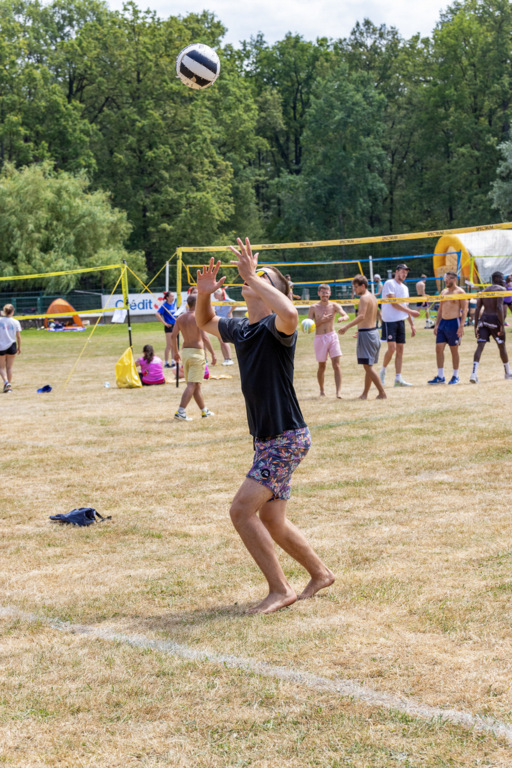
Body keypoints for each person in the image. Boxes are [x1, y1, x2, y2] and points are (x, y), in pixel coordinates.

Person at [195, 238, 334, 615]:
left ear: (272, 292)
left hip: (286, 437)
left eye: (263, 277)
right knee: (272, 518)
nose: (253, 278)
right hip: (268, 439)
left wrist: (251, 276)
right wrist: (204, 294)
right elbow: (204, 321)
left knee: (241, 511)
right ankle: (320, 574)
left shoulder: (278, 326)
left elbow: (289, 311)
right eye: (253, 275)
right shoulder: (242, 329)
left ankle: (280, 589)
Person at [338, 275, 386, 400]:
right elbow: (372, 316)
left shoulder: (364, 298)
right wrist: (360, 330)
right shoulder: (373, 297)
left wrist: (346, 327)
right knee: (368, 366)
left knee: (367, 366)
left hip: (367, 334)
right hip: (373, 332)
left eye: (356, 287)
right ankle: (365, 394)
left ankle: (382, 393)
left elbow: (362, 316)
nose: (354, 289)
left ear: (363, 286)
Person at [171, 293, 216, 420]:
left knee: (196, 385)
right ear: (197, 303)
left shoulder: (180, 318)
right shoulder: (198, 317)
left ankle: (204, 410)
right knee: (192, 384)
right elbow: (205, 337)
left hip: (185, 352)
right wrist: (213, 353)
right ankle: (181, 411)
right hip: (196, 353)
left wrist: (175, 352)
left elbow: (173, 336)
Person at [379, 264, 419, 387]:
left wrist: (412, 324)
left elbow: (405, 306)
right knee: (392, 349)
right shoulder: (389, 283)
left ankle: (398, 378)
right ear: (397, 272)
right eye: (402, 271)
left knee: (400, 350)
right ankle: (382, 371)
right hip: (389, 320)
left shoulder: (405, 288)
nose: (404, 274)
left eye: (406, 272)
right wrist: (411, 312)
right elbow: (394, 303)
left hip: (400, 321)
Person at [308, 284, 349, 398]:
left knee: (336, 364)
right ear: (318, 293)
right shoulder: (313, 307)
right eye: (322, 292)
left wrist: (342, 318)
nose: (325, 295)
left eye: (326, 292)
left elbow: (345, 315)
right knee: (322, 366)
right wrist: (321, 320)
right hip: (319, 337)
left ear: (330, 293)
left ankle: (338, 392)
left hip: (332, 336)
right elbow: (309, 326)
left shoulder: (334, 305)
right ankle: (322, 390)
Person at [470, 271, 512, 383]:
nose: (503, 281)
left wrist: (475, 326)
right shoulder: (501, 290)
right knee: (502, 346)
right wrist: (502, 324)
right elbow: (499, 307)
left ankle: (473, 374)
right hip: (495, 320)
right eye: (502, 279)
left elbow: (477, 309)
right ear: (497, 279)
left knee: (480, 346)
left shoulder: (483, 291)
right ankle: (508, 372)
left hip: (483, 320)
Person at [427, 271, 468, 385]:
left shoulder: (460, 292)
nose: (446, 280)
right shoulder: (444, 291)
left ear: (454, 279)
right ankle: (440, 376)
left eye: (448, 278)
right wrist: (436, 324)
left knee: (454, 350)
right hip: (443, 323)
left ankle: (455, 376)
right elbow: (440, 309)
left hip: (454, 322)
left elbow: (465, 310)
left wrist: (461, 326)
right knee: (438, 349)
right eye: (445, 278)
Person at [0, 304, 21, 393]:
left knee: (1, 367)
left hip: (1, 345)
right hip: (12, 345)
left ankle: (6, 382)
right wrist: (19, 347)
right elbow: (18, 336)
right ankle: (8, 387)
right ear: (13, 311)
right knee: (9, 367)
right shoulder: (15, 322)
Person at [213, 287, 235, 365]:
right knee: (221, 341)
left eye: (215, 293)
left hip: (226, 322)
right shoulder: (216, 302)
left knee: (224, 340)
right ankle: (225, 359)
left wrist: (230, 312)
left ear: (221, 294)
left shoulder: (227, 300)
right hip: (218, 322)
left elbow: (235, 303)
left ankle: (229, 359)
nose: (214, 295)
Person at [156, 291, 177, 368]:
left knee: (174, 344)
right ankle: (166, 363)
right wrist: (164, 323)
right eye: (171, 296)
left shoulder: (172, 305)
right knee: (169, 345)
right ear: (167, 297)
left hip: (175, 325)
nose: (173, 298)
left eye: (173, 296)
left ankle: (173, 361)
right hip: (169, 326)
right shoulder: (164, 305)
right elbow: (157, 314)